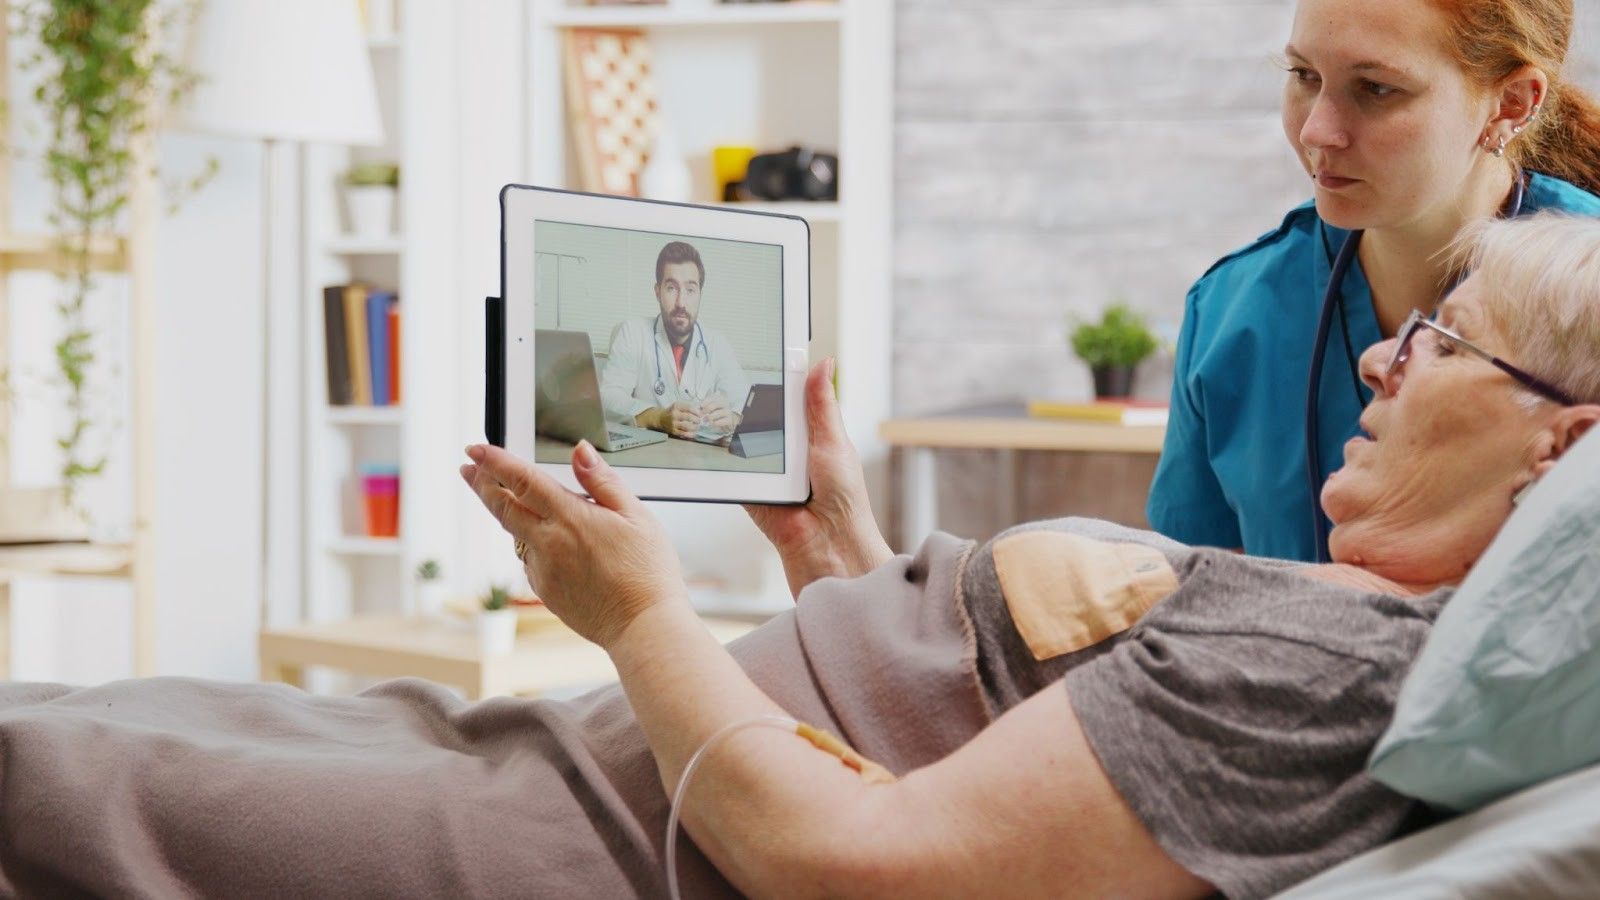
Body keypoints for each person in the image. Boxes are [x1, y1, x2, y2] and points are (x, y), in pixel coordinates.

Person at [2, 216, 1596, 897]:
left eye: (1445, 342)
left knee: (63, 770)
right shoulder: (1342, 616)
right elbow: (959, 719)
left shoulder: (1322, 673)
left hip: (622, 829)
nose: (1385, 359)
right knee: (101, 722)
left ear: (1560, 446)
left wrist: (639, 613)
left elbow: (863, 867)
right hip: (599, 756)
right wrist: (834, 542)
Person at [1147, 0, 1600, 561]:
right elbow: (1186, 588)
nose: (1317, 131)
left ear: (1511, 103)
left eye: (1376, 89)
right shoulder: (1231, 314)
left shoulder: (1590, 289)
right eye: (1305, 76)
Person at [598, 240, 752, 441]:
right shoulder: (632, 333)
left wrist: (732, 418)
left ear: (699, 294)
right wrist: (658, 417)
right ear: (657, 291)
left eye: (690, 290)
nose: (681, 303)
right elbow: (607, 399)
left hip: (701, 460)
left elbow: (745, 405)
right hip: (647, 456)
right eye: (671, 288)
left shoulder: (718, 344)